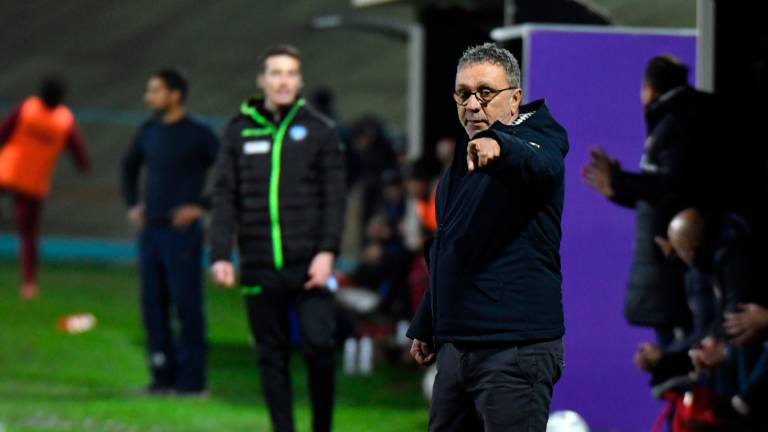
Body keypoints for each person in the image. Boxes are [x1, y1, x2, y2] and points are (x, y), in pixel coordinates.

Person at [407, 43, 567, 432]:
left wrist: (500, 146)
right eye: (464, 94)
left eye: (485, 93)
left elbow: (540, 163)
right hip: (459, 346)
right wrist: (428, 322)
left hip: (513, 349)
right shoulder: (463, 159)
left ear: (514, 100)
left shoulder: (539, 137)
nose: (473, 104)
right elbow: (452, 246)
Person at [208, 44, 346, 432]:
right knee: (271, 355)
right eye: (275, 73)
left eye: (290, 73)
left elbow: (335, 199)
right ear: (262, 80)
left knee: (319, 347)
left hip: (309, 264)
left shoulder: (320, 131)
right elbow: (224, 196)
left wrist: (327, 252)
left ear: (299, 81)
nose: (283, 80)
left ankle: (322, 426)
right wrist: (220, 254)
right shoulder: (239, 130)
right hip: (259, 264)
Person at [580, 55, 718, 348]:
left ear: (649, 90)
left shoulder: (675, 122)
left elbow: (672, 186)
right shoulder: (681, 117)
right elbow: (661, 191)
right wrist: (620, 187)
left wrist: (620, 182)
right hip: (669, 262)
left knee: (690, 352)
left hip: (674, 263)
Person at [121, 69, 219, 396]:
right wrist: (134, 204)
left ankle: (192, 382)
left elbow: (230, 173)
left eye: (156, 91)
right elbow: (128, 166)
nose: (149, 98)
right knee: (153, 305)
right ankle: (161, 377)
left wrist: (200, 206)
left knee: (187, 305)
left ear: (175, 95)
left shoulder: (198, 133)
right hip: (152, 232)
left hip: (182, 235)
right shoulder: (149, 131)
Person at [0, 76, 90, 299]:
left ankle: (29, 284)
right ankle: (29, 284)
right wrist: (83, 165)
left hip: (8, 172)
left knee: (28, 233)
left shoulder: (28, 108)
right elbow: (77, 148)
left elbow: (3, 131)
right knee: (29, 234)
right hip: (31, 181)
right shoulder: (64, 119)